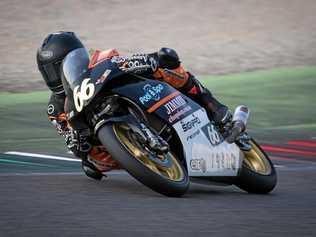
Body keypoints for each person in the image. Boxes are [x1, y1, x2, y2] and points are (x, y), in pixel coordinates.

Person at [36, 31, 233, 180]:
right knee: (93, 163)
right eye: (51, 70)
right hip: (103, 135)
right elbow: (70, 139)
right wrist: (78, 143)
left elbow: (128, 62)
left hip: (140, 93)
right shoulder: (55, 109)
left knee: (169, 70)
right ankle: (147, 157)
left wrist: (155, 59)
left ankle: (214, 107)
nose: (57, 74)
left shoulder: (101, 59)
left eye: (62, 65)